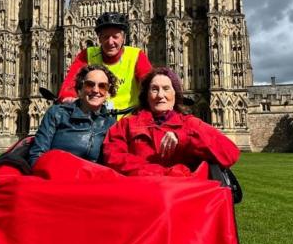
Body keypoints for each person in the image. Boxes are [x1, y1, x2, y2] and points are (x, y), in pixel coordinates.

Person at [102, 67, 240, 177]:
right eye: (154, 89)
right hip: (140, 196)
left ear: (175, 94)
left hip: (180, 200)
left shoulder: (191, 124)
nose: (160, 95)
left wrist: (184, 138)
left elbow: (229, 153)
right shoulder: (126, 125)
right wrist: (164, 173)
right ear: (146, 95)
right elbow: (113, 158)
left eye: (166, 88)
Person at [58, 12, 152, 111]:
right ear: (99, 38)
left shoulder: (136, 56)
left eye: (115, 37)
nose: (110, 42)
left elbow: (149, 83)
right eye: (106, 37)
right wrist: (68, 97)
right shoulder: (87, 55)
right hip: (95, 120)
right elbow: (71, 82)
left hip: (129, 121)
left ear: (123, 38)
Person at [29, 65, 118, 166]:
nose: (96, 90)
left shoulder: (112, 124)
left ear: (108, 93)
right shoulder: (57, 114)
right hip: (57, 176)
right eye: (89, 84)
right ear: (79, 90)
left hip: (93, 179)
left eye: (103, 86)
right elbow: (37, 156)